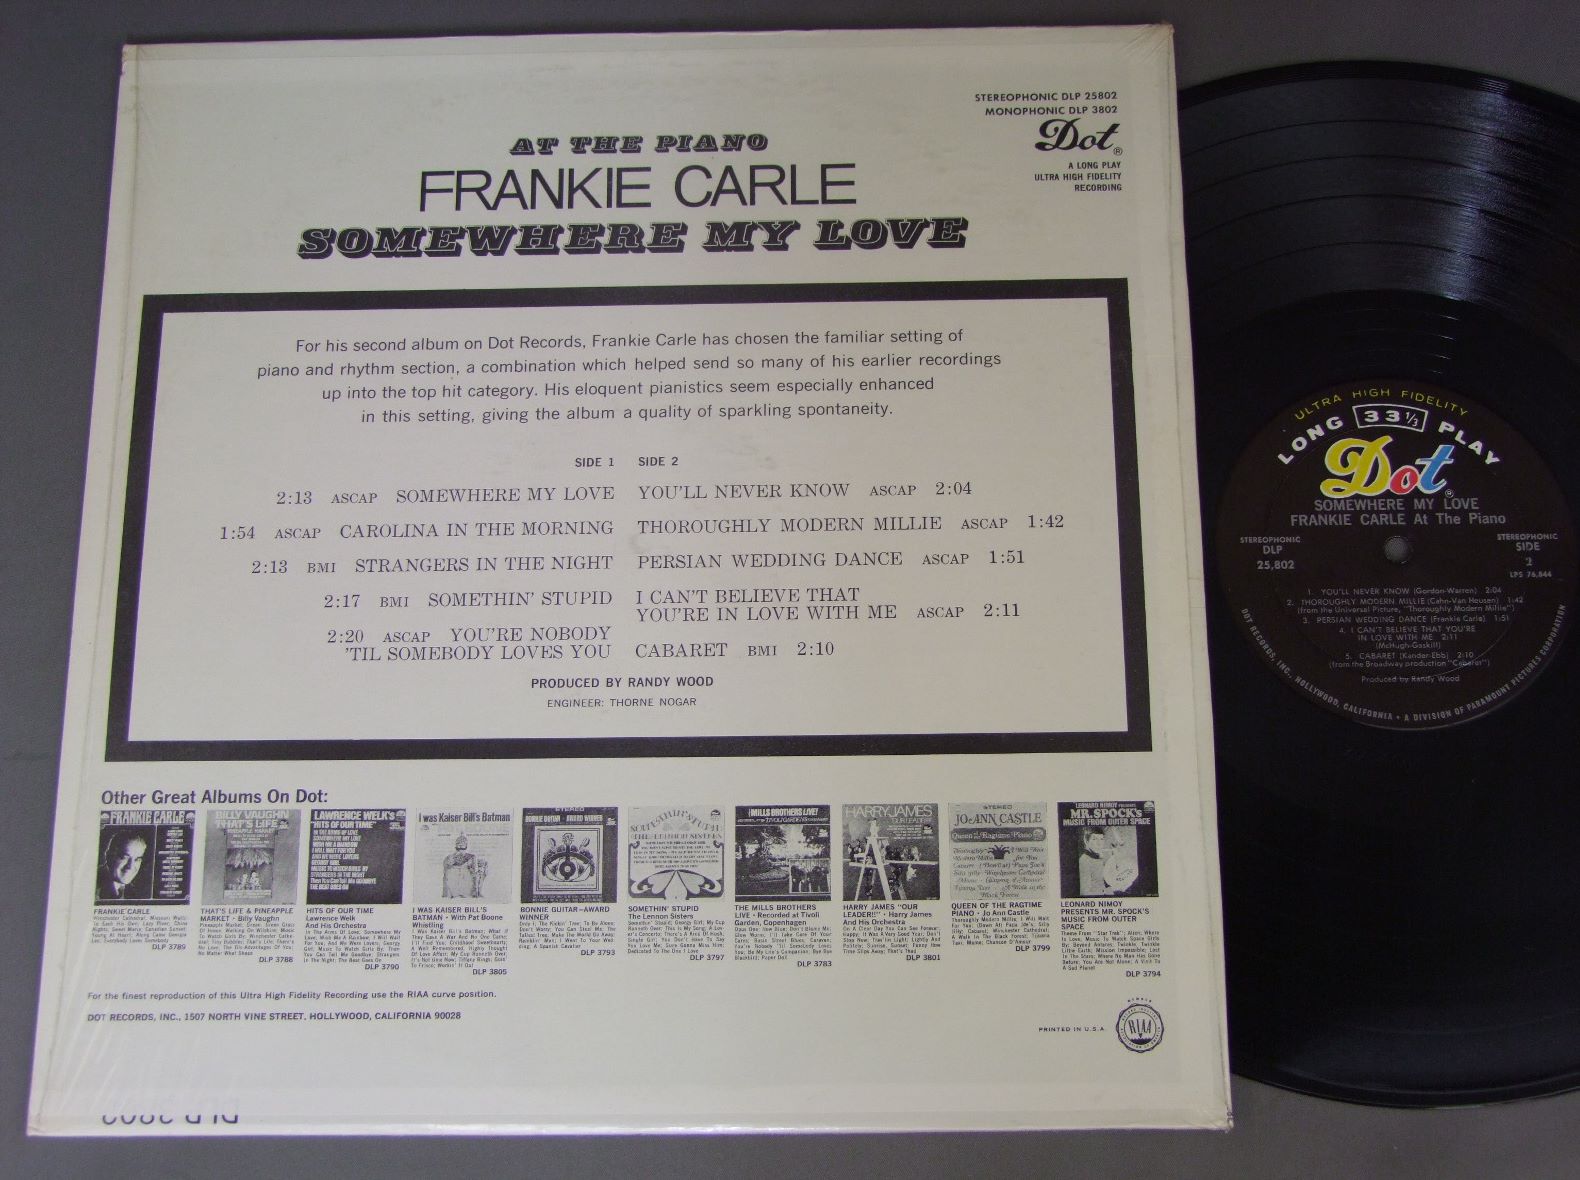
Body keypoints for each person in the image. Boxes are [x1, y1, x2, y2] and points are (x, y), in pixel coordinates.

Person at [97, 830, 149, 901]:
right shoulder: (91, 887)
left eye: (137, 859)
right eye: (125, 857)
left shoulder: (136, 893)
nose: (130, 866)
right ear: (109, 857)